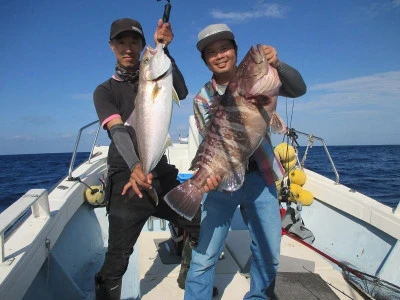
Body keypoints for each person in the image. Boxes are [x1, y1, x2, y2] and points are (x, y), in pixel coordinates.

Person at [184, 24, 307, 299]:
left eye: (224, 48)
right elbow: (212, 142)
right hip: (221, 183)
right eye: (211, 53)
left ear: (235, 51)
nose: (219, 55)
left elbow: (298, 88)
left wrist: (279, 63)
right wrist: (209, 175)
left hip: (261, 178)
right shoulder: (203, 98)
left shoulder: (261, 81)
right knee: (204, 257)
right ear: (205, 60)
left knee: (268, 252)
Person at [92, 17, 200, 299]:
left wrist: (164, 49)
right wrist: (136, 167)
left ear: (142, 45)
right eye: (122, 42)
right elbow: (117, 131)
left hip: (160, 172)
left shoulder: (154, 73)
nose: (129, 48)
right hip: (127, 177)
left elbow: (183, 91)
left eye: (135, 42)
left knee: (198, 220)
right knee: (117, 257)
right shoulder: (105, 91)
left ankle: (189, 277)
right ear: (111, 46)